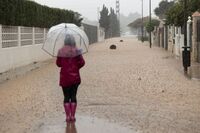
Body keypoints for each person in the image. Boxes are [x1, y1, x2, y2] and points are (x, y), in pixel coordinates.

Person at [56, 34, 85, 123]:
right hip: (75, 78)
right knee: (73, 96)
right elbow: (82, 63)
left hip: (65, 78)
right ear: (73, 41)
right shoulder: (77, 51)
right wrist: (76, 67)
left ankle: (67, 117)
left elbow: (58, 64)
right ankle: (73, 116)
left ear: (65, 41)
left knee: (66, 97)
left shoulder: (60, 51)